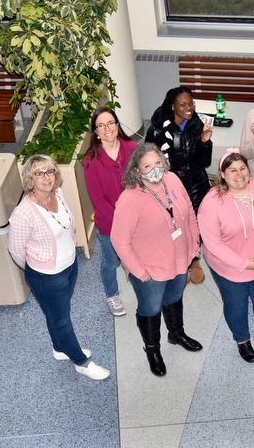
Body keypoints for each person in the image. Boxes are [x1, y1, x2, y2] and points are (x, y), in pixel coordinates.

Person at [8, 155, 110, 380]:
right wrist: (37, 269)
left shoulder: (59, 194)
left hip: (69, 265)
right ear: (30, 179)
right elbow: (16, 250)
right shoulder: (23, 213)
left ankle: (59, 348)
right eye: (39, 173)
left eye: (50, 171)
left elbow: (67, 226)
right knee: (61, 319)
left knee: (57, 314)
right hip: (46, 276)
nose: (46, 177)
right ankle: (81, 362)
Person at [112, 143, 203, 376]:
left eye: (158, 163)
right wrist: (138, 271)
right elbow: (119, 240)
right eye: (147, 166)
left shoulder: (172, 180)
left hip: (179, 258)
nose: (155, 169)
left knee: (175, 297)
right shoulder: (129, 199)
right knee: (151, 307)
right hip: (149, 269)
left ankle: (176, 333)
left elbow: (189, 210)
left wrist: (194, 242)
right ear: (136, 171)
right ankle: (152, 349)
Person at [198, 149, 254, 363]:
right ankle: (242, 340)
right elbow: (213, 244)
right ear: (222, 174)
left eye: (242, 168)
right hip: (230, 268)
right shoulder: (210, 204)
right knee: (236, 305)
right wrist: (243, 263)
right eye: (232, 170)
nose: (239, 174)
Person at [146, 86, 212, 284]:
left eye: (191, 103)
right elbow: (151, 166)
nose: (189, 108)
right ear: (172, 106)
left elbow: (205, 161)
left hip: (197, 184)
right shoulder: (157, 131)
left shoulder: (196, 124)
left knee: (197, 225)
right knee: (176, 226)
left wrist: (204, 142)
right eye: (183, 104)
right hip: (173, 186)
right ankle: (180, 263)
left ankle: (193, 261)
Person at [83, 107, 138, 316]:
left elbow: (141, 181)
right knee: (111, 261)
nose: (107, 128)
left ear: (117, 125)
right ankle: (111, 295)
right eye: (101, 125)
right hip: (109, 224)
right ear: (95, 131)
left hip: (136, 218)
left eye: (110, 123)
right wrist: (121, 221)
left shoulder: (132, 147)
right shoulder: (90, 160)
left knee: (137, 255)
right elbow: (98, 200)